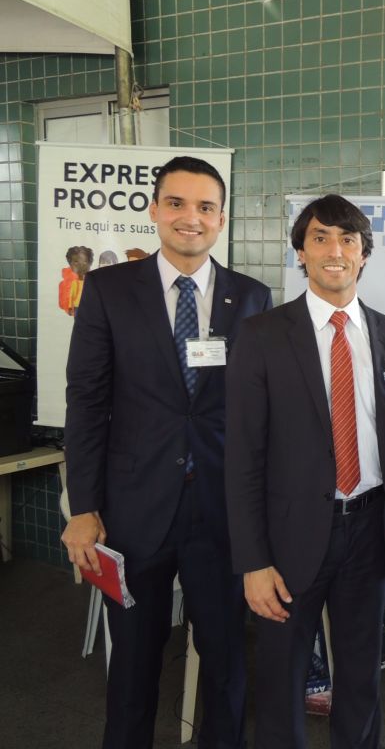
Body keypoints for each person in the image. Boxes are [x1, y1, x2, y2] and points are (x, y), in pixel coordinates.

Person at [61, 155, 272, 748]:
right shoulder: (108, 290)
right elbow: (86, 401)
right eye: (176, 203)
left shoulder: (251, 298)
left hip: (220, 512)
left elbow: (261, 412)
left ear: (221, 218)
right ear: (154, 210)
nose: (190, 218)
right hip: (133, 512)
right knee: (132, 665)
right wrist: (84, 506)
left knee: (226, 661)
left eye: (205, 207)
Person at [225, 194, 385, 749]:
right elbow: (242, 457)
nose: (335, 250)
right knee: (281, 678)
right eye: (320, 237)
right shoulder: (262, 335)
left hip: (370, 531)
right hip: (289, 539)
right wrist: (253, 561)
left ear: (363, 254)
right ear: (301, 253)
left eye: (348, 239)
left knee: (361, 676)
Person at [58, 245, 94, 315]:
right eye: (76, 262)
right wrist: (70, 308)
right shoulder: (73, 283)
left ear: (90, 263)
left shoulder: (92, 282)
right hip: (77, 306)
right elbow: (71, 296)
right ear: (70, 264)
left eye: (85, 261)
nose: (81, 265)